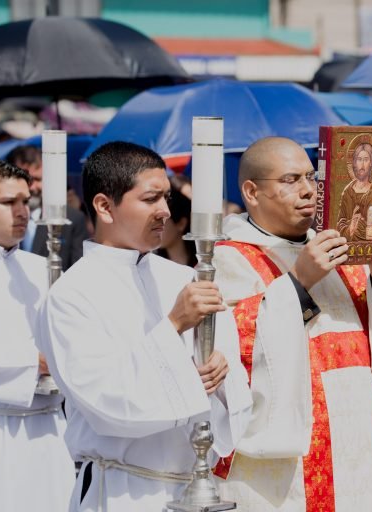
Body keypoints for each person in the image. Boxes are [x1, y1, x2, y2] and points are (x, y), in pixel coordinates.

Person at [38, 141, 252, 511]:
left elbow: (227, 382)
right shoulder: (70, 295)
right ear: (105, 206)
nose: (165, 211)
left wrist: (221, 375)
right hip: (122, 489)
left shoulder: (185, 277)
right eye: (150, 199)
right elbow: (106, 404)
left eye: (167, 198)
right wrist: (174, 325)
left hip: (195, 486)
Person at [212, 136, 372, 511]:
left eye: (312, 177)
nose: (309, 190)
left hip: (360, 444)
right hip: (288, 463)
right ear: (252, 191)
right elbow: (235, 349)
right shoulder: (229, 259)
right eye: (291, 180)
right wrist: (298, 283)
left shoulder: (343, 249)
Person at [0, 159, 75, 510]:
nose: (22, 212)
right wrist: (31, 363)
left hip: (50, 430)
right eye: (8, 203)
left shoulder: (45, 270)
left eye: (26, 201)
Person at [6, 144, 88, 270]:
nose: (31, 187)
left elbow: (78, 271)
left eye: (37, 179)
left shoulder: (72, 219)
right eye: (24, 180)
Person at [336, 141, 372, 241]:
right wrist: (351, 226)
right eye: (359, 159)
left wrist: (363, 225)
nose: (362, 165)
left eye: (366, 160)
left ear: (371, 163)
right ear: (354, 163)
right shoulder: (347, 192)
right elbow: (340, 222)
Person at [155, 174, 197, 267]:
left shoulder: (203, 264)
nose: (155, 225)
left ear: (181, 223)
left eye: (162, 219)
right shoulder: (153, 266)